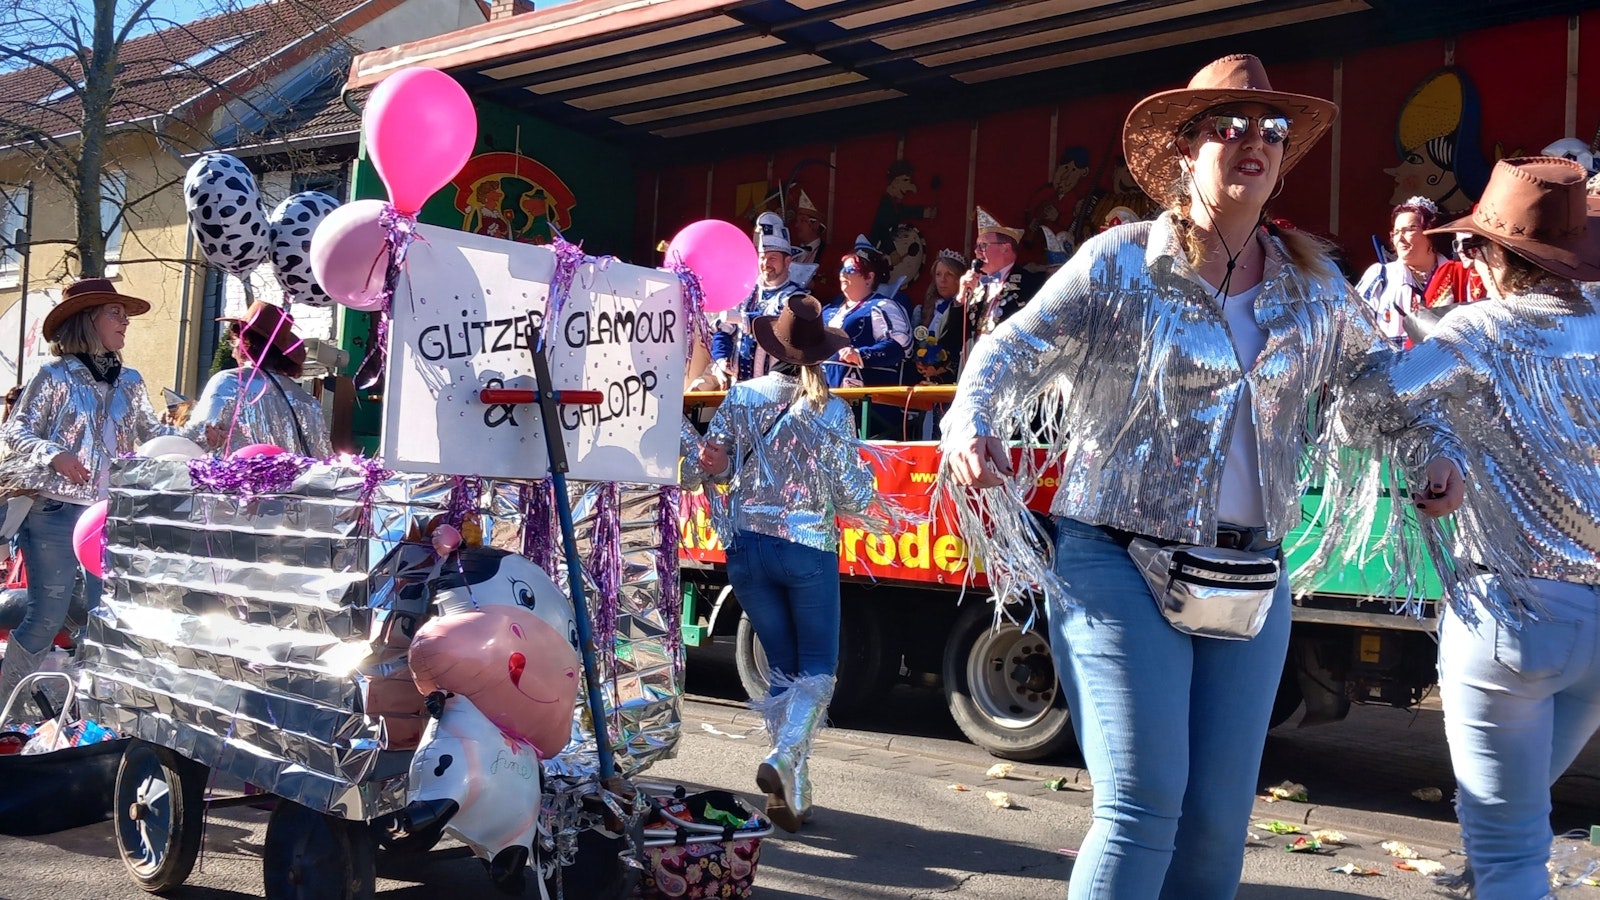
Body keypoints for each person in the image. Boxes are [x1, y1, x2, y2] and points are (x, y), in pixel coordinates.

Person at [939, 54, 1409, 899]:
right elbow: (1004, 353)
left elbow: (1374, 382)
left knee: (1220, 821)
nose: (1254, 143)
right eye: (1229, 127)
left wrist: (1433, 452)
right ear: (1184, 152)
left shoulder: (1314, 283)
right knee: (1144, 804)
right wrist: (972, 425)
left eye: (1270, 131)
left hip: (1248, 572)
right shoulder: (1120, 262)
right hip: (1116, 559)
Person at [1349, 157, 1600, 900]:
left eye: (1473, 248)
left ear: (1495, 255)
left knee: (1509, 857)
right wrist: (1455, 446)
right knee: (1505, 833)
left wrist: (1437, 447)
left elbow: (1364, 410)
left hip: (1508, 622)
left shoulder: (1480, 330)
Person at [681, 293, 876, 833]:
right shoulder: (832, 410)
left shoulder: (741, 397)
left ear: (774, 349)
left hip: (745, 549)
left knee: (785, 674)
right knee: (817, 670)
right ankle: (784, 760)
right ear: (822, 356)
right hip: (806, 550)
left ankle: (794, 791)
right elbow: (854, 496)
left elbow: (707, 471)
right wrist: (870, 482)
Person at [0, 278, 193, 709]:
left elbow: (153, 435)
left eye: (124, 313)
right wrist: (55, 454)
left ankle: (92, 709)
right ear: (88, 320)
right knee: (46, 615)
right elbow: (16, 429)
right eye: (115, 312)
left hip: (107, 516)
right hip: (54, 511)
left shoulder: (132, 381)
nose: (125, 321)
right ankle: (7, 709)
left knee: (106, 615)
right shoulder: (53, 376)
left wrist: (198, 436)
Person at [185, 300, 331, 457]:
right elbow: (323, 458)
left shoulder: (229, 382)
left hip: (239, 480)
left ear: (245, 341)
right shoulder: (307, 401)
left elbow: (193, 442)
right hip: (291, 481)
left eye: (234, 340)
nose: (233, 347)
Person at [709, 211, 805, 387]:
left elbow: (779, 326)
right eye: (762, 258)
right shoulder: (744, 293)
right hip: (739, 388)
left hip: (778, 390)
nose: (765, 264)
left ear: (788, 261)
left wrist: (744, 318)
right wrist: (721, 360)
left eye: (772, 258)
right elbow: (722, 330)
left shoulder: (797, 298)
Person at [1355, 196, 1449, 345]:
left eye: (1409, 230)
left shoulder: (1457, 277)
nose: (1400, 238)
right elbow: (1355, 328)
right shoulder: (1380, 276)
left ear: (1431, 232)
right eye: (1396, 232)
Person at [821, 243, 910, 389]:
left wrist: (859, 355)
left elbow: (899, 346)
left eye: (850, 270)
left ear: (869, 277)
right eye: (841, 269)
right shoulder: (829, 309)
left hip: (864, 402)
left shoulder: (882, 306)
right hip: (822, 394)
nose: (843, 274)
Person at [959, 207, 1045, 348]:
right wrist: (961, 298)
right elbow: (950, 336)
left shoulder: (1031, 284)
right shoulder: (976, 285)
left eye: (983, 246)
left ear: (1005, 248)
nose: (976, 251)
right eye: (976, 246)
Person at [907, 249, 968, 385]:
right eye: (938, 274)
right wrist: (921, 361)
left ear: (960, 278)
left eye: (949, 274)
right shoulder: (925, 310)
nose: (942, 280)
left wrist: (941, 368)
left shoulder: (967, 310)